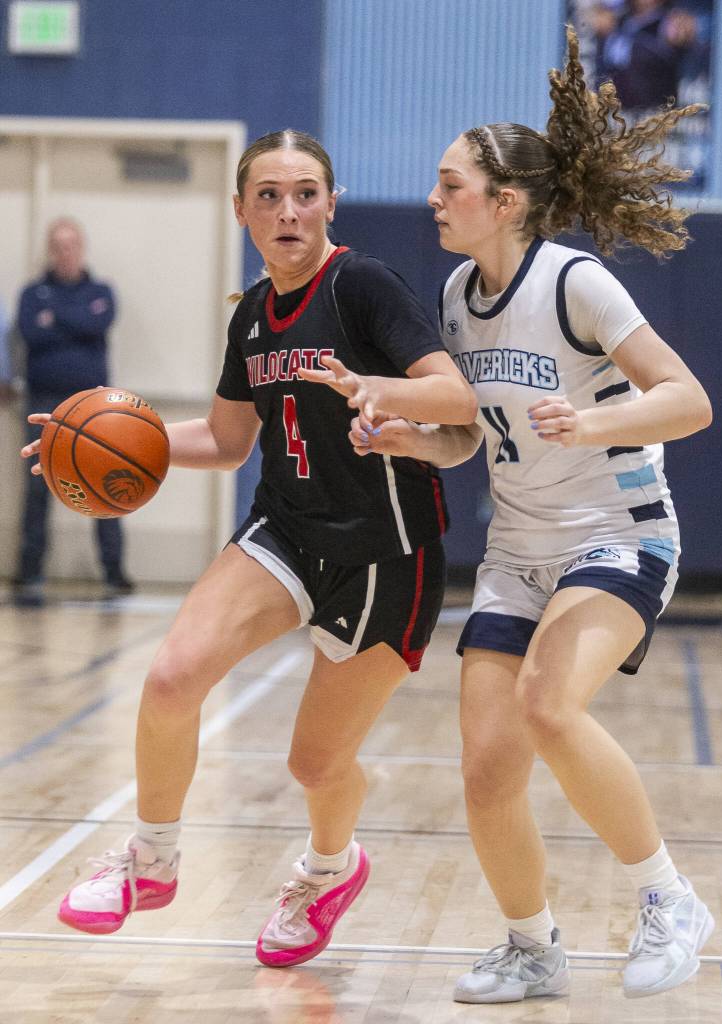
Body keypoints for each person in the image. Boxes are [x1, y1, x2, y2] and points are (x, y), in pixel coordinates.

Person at [22, 131, 477, 961]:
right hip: (286, 530)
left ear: (330, 204)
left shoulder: (362, 285)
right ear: (240, 212)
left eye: (304, 193)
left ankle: (329, 870)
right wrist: (95, 439)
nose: (287, 210)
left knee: (313, 764)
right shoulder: (254, 317)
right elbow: (230, 440)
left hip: (387, 554)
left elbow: (454, 397)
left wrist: (379, 389)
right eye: (267, 196)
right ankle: (149, 863)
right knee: (169, 677)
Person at [339, 26, 713, 1003]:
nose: (432, 199)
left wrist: (595, 421)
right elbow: (467, 439)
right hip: (515, 550)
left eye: (449, 183)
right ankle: (531, 944)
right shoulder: (459, 297)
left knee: (549, 706)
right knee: (486, 767)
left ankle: (669, 897)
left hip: (619, 536)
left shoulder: (574, 282)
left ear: (503, 201)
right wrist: (404, 439)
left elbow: (688, 399)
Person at [14, 218, 133, 600]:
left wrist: (59, 317)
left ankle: (114, 573)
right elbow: (31, 332)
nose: (65, 253)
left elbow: (98, 323)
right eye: (58, 246)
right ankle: (29, 571)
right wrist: (76, 319)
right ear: (51, 249)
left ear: (81, 248)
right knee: (38, 486)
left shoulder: (101, 291)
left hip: (93, 406)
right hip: (43, 403)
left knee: (104, 483)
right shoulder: (33, 293)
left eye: (71, 245)